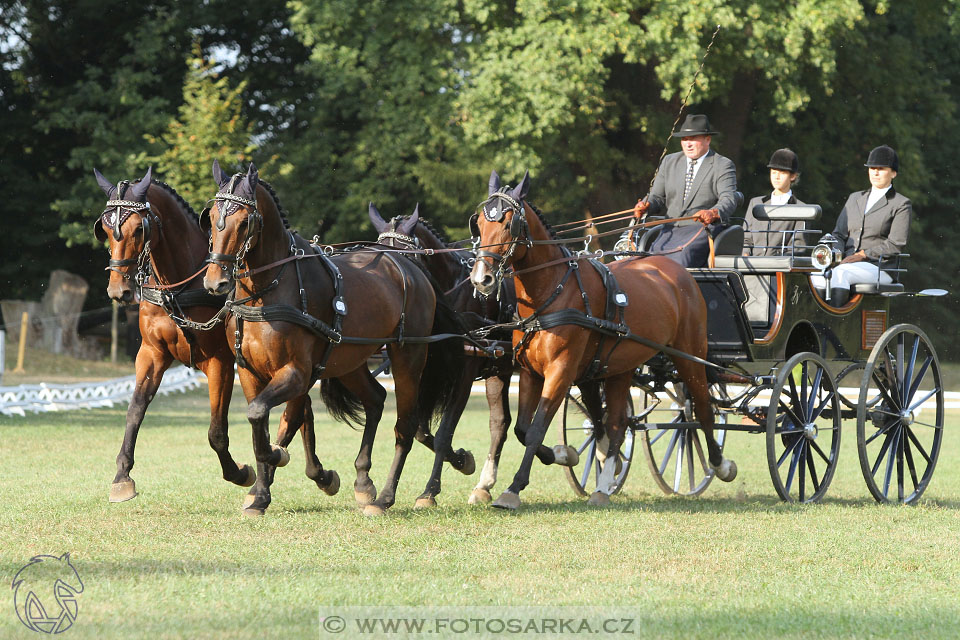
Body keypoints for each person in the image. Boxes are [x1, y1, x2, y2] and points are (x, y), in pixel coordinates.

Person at [632, 113, 740, 267]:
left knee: (681, 261)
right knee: (649, 263)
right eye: (684, 139)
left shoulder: (722, 165)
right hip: (670, 229)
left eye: (693, 138)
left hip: (702, 230)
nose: (688, 144)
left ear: (707, 139)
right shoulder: (669, 161)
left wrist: (713, 212)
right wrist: (645, 205)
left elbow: (728, 199)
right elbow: (657, 196)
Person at [809, 145, 911, 307]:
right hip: (846, 263)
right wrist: (836, 254)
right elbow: (839, 235)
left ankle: (835, 326)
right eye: (872, 168)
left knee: (841, 274)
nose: (875, 173)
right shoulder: (854, 198)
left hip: (879, 267)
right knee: (816, 276)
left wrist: (864, 254)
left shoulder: (900, 203)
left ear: (893, 173)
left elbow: (896, 243)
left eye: (881, 169)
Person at [743, 149, 805, 256]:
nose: (776, 177)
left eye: (782, 173)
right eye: (773, 172)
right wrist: (745, 257)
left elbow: (798, 246)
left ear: (793, 176)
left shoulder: (801, 209)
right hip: (751, 267)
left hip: (779, 269)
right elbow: (746, 238)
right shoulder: (755, 203)